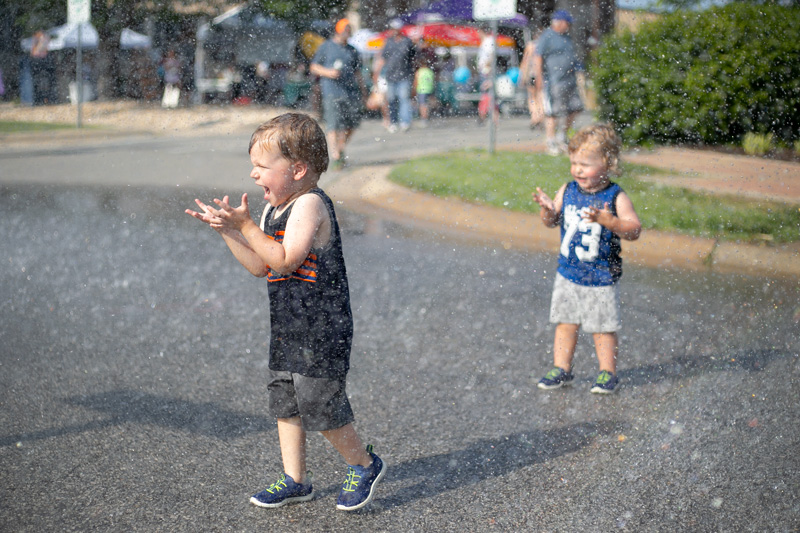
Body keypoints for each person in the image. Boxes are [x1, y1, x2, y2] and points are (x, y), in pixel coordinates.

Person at [185, 113, 386, 510]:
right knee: (286, 401)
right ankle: (296, 479)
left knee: (320, 403)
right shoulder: (270, 211)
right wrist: (228, 231)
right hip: (289, 326)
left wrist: (246, 229)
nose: (254, 175)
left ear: (297, 169)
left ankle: (363, 463)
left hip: (322, 327)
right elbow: (260, 266)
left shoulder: (310, 204)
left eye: (262, 167)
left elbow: (286, 260)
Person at [532, 124, 642, 394]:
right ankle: (562, 368)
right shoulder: (568, 189)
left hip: (601, 276)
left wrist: (611, 221)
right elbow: (551, 221)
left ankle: (607, 373)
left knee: (602, 327)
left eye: (585, 164)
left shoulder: (615, 196)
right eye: (574, 163)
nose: (578, 170)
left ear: (608, 163)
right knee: (566, 322)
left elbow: (634, 230)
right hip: (568, 272)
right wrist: (547, 210)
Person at [310, 18, 365, 168]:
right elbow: (314, 67)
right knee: (333, 125)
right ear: (338, 31)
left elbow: (358, 73)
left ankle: (339, 149)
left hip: (350, 93)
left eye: (349, 31)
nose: (347, 33)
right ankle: (335, 155)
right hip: (331, 92)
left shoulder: (352, 50)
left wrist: (364, 93)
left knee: (351, 125)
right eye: (345, 30)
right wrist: (328, 72)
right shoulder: (326, 46)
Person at [534, 10, 584, 155]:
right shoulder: (547, 36)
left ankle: (562, 136)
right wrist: (539, 78)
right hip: (554, 81)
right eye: (567, 23)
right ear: (560, 22)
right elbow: (538, 57)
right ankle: (551, 141)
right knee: (553, 113)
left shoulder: (567, 37)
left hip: (570, 81)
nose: (568, 26)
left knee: (576, 108)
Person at [373, 19, 416, 132]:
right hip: (390, 76)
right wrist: (376, 73)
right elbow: (383, 58)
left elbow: (413, 58)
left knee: (403, 99)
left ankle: (405, 122)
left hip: (404, 75)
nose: (394, 31)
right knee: (391, 100)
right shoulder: (388, 42)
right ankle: (393, 121)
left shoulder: (407, 42)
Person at [518, 38, 544, 130]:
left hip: (531, 73)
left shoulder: (530, 45)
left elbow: (525, 61)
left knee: (532, 97)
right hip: (540, 73)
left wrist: (522, 75)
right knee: (540, 95)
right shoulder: (543, 44)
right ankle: (540, 116)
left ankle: (534, 117)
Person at [414, 53, 435, 127]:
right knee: (427, 104)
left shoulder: (419, 72)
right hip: (429, 89)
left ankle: (424, 118)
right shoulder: (430, 71)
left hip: (421, 90)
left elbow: (416, 82)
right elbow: (432, 81)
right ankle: (427, 117)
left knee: (422, 105)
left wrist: (414, 90)